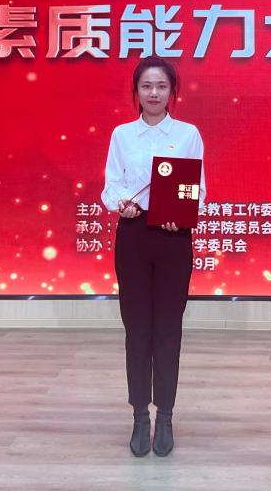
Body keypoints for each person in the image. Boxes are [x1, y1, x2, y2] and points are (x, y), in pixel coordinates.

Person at [101, 56, 206, 457]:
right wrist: (121, 203)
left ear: (172, 91)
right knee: (137, 329)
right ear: (137, 91)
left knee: (167, 329)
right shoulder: (122, 135)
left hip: (173, 238)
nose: (154, 93)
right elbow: (111, 184)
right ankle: (139, 416)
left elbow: (197, 187)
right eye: (147, 86)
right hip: (133, 235)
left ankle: (165, 415)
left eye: (161, 86)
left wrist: (182, 214)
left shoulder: (188, 134)